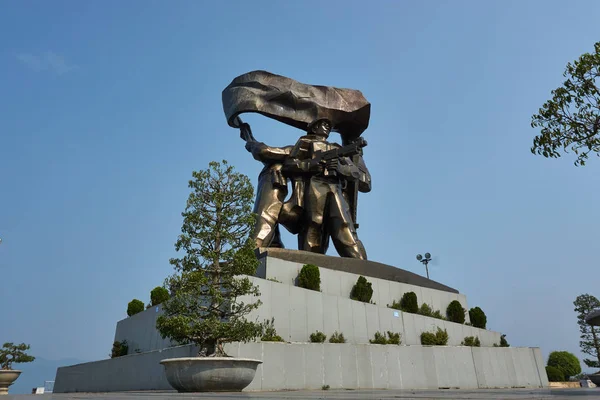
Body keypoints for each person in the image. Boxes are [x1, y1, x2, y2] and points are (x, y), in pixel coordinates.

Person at [281, 119, 371, 259]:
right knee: (313, 223)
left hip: (335, 187)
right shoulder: (306, 142)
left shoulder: (336, 147)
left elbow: (355, 173)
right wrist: (311, 165)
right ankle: (310, 260)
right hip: (316, 184)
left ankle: (358, 262)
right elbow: (289, 165)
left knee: (344, 224)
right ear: (315, 127)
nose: (327, 127)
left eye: (329, 125)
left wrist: (340, 168)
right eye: (324, 124)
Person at [240, 122, 292, 248]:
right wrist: (250, 140)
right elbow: (266, 154)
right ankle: (273, 243)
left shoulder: (296, 149)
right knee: (267, 215)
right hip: (277, 179)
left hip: (275, 180)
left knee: (265, 216)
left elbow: (263, 151)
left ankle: (253, 249)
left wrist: (252, 144)